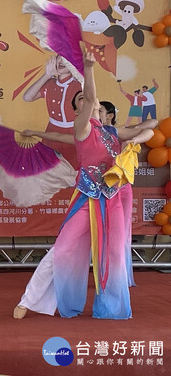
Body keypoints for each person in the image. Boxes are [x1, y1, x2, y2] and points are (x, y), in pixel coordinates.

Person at [13, 52, 154, 320]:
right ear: (78, 110)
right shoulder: (82, 128)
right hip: (87, 198)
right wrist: (88, 69)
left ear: (104, 111)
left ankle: (110, 306)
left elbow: (148, 128)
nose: (90, 102)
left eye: (95, 103)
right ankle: (29, 300)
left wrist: (138, 140)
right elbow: (89, 98)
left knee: (113, 253)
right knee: (63, 248)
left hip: (111, 198)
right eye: (82, 101)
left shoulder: (112, 132)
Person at [22, 103, 157, 290]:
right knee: (86, 234)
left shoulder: (116, 132)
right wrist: (36, 132)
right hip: (91, 192)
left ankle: (119, 277)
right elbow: (60, 136)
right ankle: (95, 275)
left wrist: (135, 140)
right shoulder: (85, 135)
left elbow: (151, 126)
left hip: (118, 191)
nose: (94, 112)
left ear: (109, 116)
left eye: (99, 110)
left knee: (120, 235)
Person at [23, 55, 82, 169]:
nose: (62, 61)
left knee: (72, 170)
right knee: (49, 169)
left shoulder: (79, 85)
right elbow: (27, 97)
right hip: (51, 131)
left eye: (67, 58)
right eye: (59, 57)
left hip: (72, 133)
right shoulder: (50, 83)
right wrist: (47, 75)